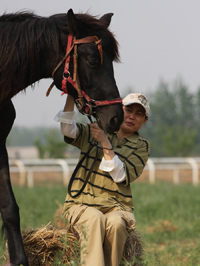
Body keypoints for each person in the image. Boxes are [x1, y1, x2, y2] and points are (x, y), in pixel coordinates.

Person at [54, 92, 150, 266]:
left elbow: (121, 175)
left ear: (144, 121)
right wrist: (71, 95)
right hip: (80, 203)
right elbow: (68, 129)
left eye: (139, 114)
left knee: (116, 223)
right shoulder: (98, 129)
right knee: (95, 218)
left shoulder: (142, 146)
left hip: (117, 207)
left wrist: (106, 144)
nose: (132, 116)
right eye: (128, 110)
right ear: (120, 111)